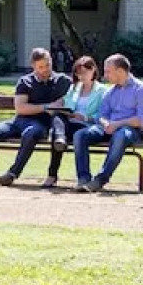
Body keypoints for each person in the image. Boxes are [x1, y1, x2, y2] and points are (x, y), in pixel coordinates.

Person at [0, 47, 71, 187]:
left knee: (30, 133)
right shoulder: (25, 81)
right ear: (33, 66)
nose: (45, 70)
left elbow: (66, 104)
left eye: (47, 64)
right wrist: (46, 107)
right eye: (41, 67)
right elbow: (21, 108)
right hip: (19, 121)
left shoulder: (63, 81)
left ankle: (12, 173)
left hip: (41, 124)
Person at [72, 53, 143, 193]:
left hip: (131, 131)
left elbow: (141, 120)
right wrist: (106, 124)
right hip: (108, 128)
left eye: (108, 71)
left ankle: (100, 180)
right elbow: (102, 116)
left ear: (120, 71)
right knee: (81, 135)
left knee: (121, 135)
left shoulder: (142, 90)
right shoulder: (110, 92)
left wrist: (117, 124)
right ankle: (83, 179)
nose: (105, 75)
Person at [42, 55, 106, 189]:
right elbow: (65, 101)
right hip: (70, 124)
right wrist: (53, 106)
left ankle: (52, 175)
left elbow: (102, 114)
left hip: (88, 125)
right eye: (78, 73)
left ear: (93, 70)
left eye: (84, 72)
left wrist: (84, 117)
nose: (81, 76)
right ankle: (60, 139)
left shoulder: (102, 91)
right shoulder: (74, 88)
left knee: (57, 131)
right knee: (57, 116)